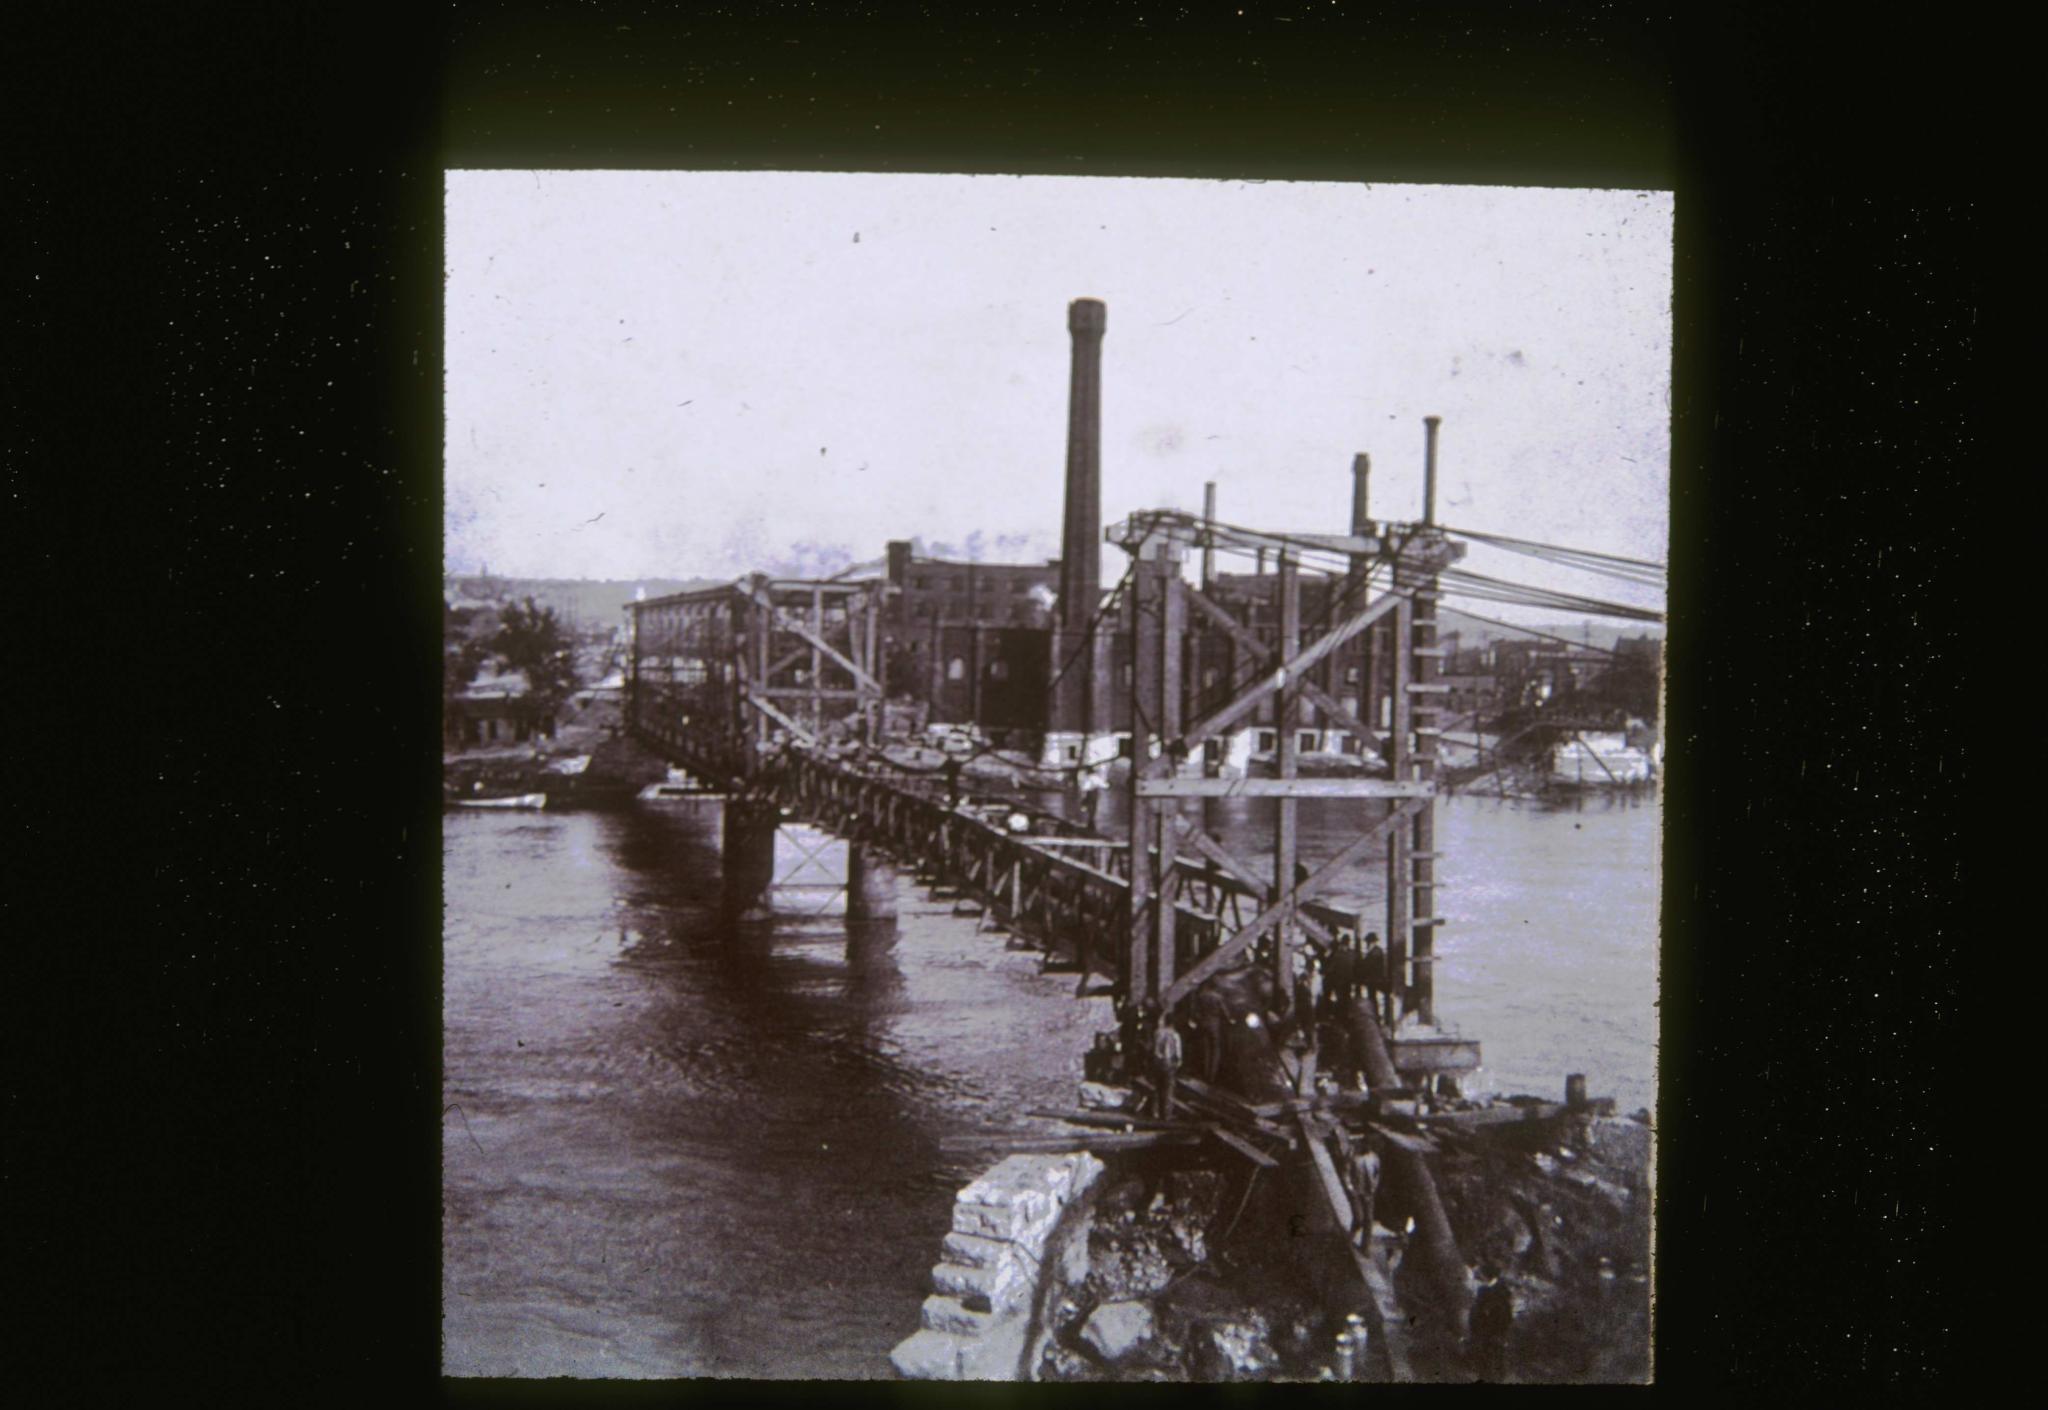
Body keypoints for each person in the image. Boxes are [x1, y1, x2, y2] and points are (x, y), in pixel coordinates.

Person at [1469, 1264, 1513, 1381]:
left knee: (1492, 1356)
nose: (1478, 1277)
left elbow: (1504, 1312)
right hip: (1490, 1330)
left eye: (1481, 1274)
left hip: (1492, 1329)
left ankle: (1495, 1377)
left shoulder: (1493, 1291)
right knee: (1491, 1357)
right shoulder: (1496, 1289)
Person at [1151, 1014, 1184, 1118]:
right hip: (1169, 1063)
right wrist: (1178, 1063)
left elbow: (1154, 1047)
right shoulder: (1175, 1035)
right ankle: (1166, 1114)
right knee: (1168, 1089)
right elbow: (1178, 1053)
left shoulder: (1157, 1032)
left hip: (1157, 1063)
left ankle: (1155, 1111)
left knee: (1158, 1087)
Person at [1361, 932, 1390, 1027]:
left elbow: (1368, 965)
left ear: (1371, 942)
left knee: (1373, 998)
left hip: (1374, 980)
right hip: (1375, 979)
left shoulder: (1374, 952)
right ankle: (1376, 1017)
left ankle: (1376, 1018)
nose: (1366, 944)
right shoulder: (1377, 951)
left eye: (1367, 942)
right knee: (1373, 998)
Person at [1077, 762, 1106, 831]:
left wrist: (1082, 793)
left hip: (1089, 793)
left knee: (1089, 805)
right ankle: (1091, 818)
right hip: (1095, 793)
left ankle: (1089, 819)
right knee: (1094, 805)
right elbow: (1103, 785)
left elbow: (1084, 787)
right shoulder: (1096, 777)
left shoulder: (1087, 778)